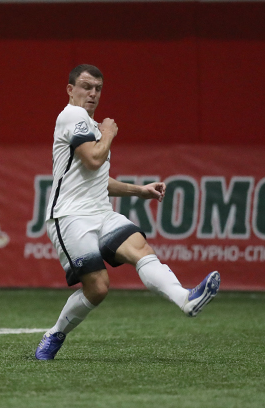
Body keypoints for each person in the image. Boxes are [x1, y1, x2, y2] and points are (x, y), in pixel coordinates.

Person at [35, 64, 221, 360]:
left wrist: (139, 190)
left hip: (101, 213)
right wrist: (109, 133)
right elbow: (94, 159)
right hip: (70, 217)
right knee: (97, 288)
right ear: (70, 89)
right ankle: (55, 333)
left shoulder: (90, 126)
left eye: (98, 88)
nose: (92, 93)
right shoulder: (73, 115)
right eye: (86, 86)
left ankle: (185, 299)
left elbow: (97, 178)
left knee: (140, 249)